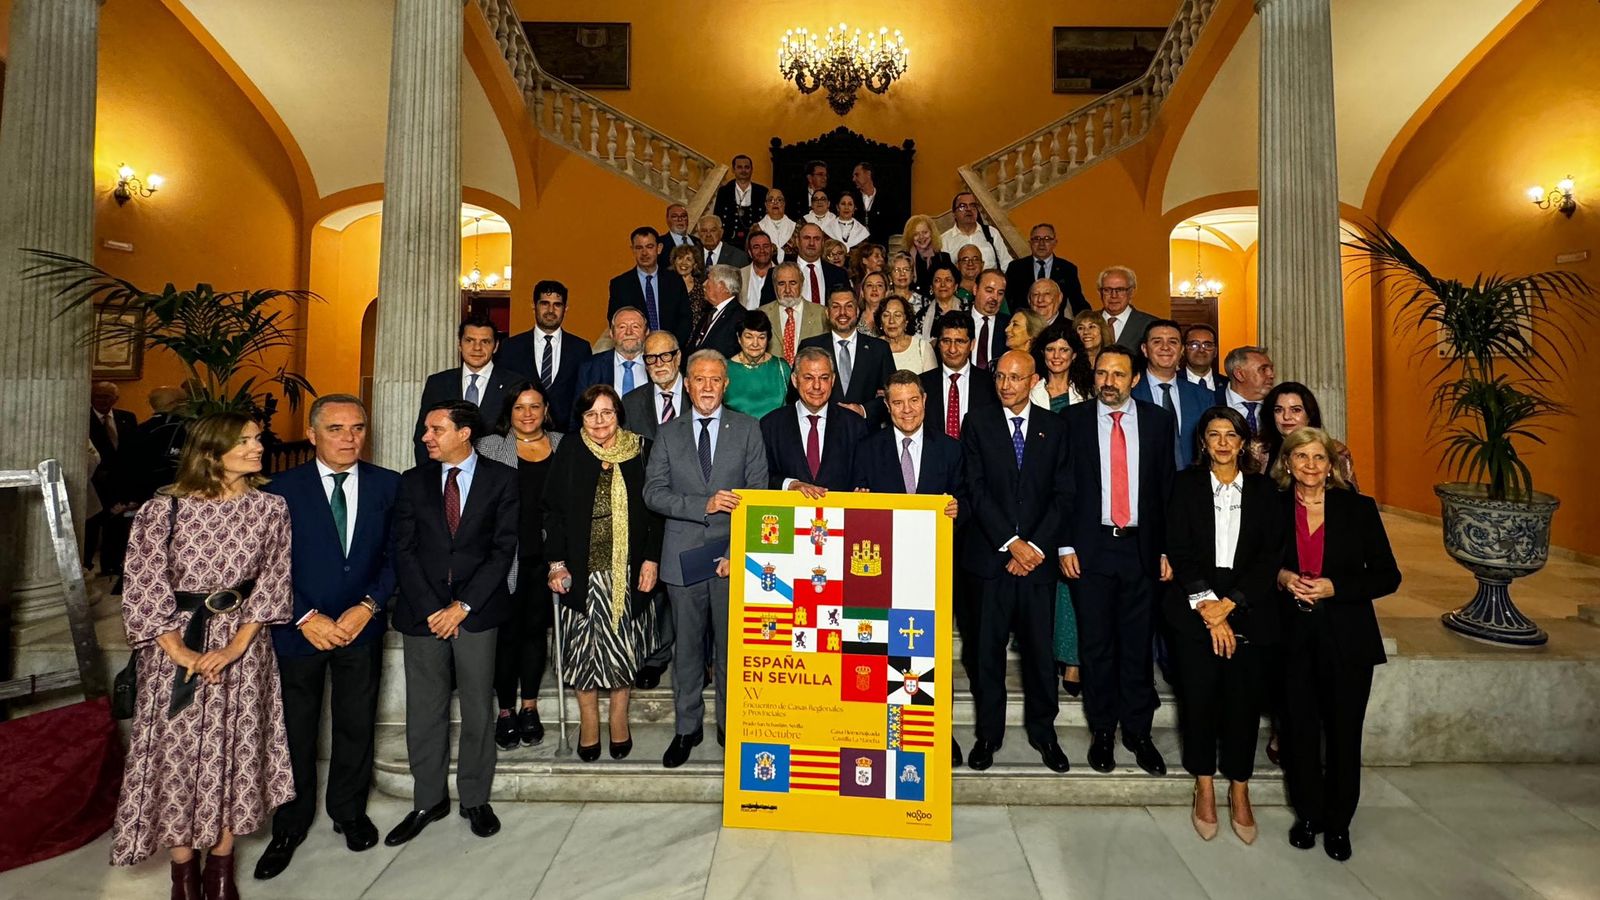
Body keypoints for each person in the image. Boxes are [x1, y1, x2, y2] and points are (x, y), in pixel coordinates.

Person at [110, 413, 294, 898]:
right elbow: (143, 583)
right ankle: (183, 875)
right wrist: (181, 652)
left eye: (258, 440)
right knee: (176, 756)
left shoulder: (270, 507)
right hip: (172, 651)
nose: (259, 448)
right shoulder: (162, 510)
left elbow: (274, 581)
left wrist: (234, 647)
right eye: (247, 441)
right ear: (212, 452)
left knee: (236, 751)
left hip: (245, 649)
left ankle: (220, 871)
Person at [252, 395, 397, 881]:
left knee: (356, 722)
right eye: (336, 429)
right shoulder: (278, 490)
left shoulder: (387, 485)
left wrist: (368, 606)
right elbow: (264, 565)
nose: (349, 438)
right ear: (312, 435)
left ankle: (349, 813)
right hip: (298, 632)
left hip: (362, 626)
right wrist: (304, 616)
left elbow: (397, 557)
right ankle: (289, 823)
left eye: (357, 428)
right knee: (295, 728)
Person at [387, 401, 518, 846]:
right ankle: (428, 799)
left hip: (476, 612)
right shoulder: (412, 481)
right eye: (427, 429)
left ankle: (475, 798)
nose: (426, 437)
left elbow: (502, 551)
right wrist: (432, 609)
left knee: (479, 708)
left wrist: (462, 606)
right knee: (425, 711)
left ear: (464, 433)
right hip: (422, 614)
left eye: (435, 429)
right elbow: (401, 550)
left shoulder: (502, 480)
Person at [1276, 427, 1400, 862]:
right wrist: (1283, 577)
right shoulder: (1273, 507)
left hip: (1346, 637)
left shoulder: (1358, 509)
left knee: (1344, 735)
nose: (1310, 466)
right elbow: (1259, 564)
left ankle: (1339, 822)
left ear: (1332, 466)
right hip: (1291, 637)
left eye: (1319, 458)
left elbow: (1388, 576)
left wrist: (1336, 587)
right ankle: (1307, 815)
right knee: (1299, 733)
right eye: (1301, 457)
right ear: (1287, 463)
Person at [1165, 407, 1284, 845]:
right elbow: (1178, 546)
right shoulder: (1185, 484)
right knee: (1197, 700)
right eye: (1213, 434)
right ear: (1203, 442)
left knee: (1242, 702)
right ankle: (1204, 784)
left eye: (1229, 435)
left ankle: (1239, 786)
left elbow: (1270, 555)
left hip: (1248, 607)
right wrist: (1207, 607)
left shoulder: (1264, 489)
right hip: (1194, 605)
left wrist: (1229, 606)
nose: (1221, 442)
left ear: (1242, 442)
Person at [644, 350, 769, 766]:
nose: (708, 387)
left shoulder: (749, 429)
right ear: (687, 384)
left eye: (716, 379)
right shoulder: (669, 433)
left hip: (732, 557)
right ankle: (687, 728)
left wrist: (738, 551)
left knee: (732, 650)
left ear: (726, 384)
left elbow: (758, 494)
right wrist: (705, 504)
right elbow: (653, 493)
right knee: (688, 649)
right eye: (700, 379)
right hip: (683, 556)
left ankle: (731, 727)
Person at [1061, 345, 1177, 777]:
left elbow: (1166, 489)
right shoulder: (1070, 422)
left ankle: (1139, 733)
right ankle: (1103, 731)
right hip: (1090, 550)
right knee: (1097, 646)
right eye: (1102, 372)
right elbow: (1063, 489)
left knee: (1136, 645)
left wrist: (1166, 548)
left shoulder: (1158, 422)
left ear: (1134, 379)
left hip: (1141, 549)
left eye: (1118, 374)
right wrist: (1065, 546)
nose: (1109, 381)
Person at [960, 351, 1073, 773]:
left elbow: (1064, 495)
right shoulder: (978, 423)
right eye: (1000, 377)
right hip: (991, 562)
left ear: (1034, 381)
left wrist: (1035, 548)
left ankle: (1045, 733)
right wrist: (1011, 542)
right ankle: (989, 736)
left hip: (1037, 566)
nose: (1006, 385)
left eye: (1015, 377)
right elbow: (975, 487)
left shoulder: (1055, 428)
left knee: (1040, 656)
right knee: (987, 655)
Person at [544, 385, 664, 761]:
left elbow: (656, 510)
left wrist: (651, 560)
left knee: (622, 649)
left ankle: (618, 719)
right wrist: (557, 563)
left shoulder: (641, 450)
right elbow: (552, 510)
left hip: (627, 571)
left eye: (607, 413)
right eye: (591, 414)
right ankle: (589, 722)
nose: (599, 422)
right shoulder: (570, 449)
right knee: (583, 653)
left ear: (619, 415)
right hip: (581, 571)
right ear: (580, 418)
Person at [850, 369, 964, 763]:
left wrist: (957, 509)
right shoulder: (868, 448)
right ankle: (889, 732)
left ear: (925, 401)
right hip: (885, 576)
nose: (907, 410)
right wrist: (860, 499)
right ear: (887, 406)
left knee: (934, 657)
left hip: (934, 572)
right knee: (887, 660)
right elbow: (855, 511)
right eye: (897, 403)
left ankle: (937, 732)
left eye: (913, 400)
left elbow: (967, 502)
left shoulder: (950, 449)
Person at [474, 382, 564, 751]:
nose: (527, 414)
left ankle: (530, 706)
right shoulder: (489, 447)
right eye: (519, 407)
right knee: (506, 635)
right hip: (503, 558)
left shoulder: (563, 444)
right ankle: (506, 710)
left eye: (535, 406)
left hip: (546, 559)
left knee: (533, 633)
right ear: (508, 411)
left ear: (546, 409)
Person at [1029, 322, 1093, 696]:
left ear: (1074, 355)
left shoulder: (1086, 392)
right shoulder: (1031, 390)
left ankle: (1072, 659)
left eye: (1064, 351)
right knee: (1042, 581)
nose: (1056, 357)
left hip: (1076, 494)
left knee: (1070, 577)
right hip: (1036, 496)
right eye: (1050, 350)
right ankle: (1043, 651)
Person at [412, 314, 530, 466]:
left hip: (496, 477)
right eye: (469, 340)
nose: (477, 348)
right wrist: (430, 478)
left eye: (485, 342)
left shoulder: (515, 383)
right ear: (459, 344)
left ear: (496, 346)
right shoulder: (438, 382)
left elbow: (521, 436)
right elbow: (423, 435)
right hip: (445, 476)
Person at [760, 346, 870, 494]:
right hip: (789, 514)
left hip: (838, 513)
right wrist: (790, 484)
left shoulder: (854, 425)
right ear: (794, 380)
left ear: (833, 380)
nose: (817, 386)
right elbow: (761, 475)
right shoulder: (770, 425)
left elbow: (864, 474)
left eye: (824, 378)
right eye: (809, 378)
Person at [496, 279, 593, 432]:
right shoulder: (511, 347)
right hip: (521, 434)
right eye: (544, 303)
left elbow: (584, 395)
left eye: (557, 305)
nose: (550, 310)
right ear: (534, 306)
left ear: (565, 308)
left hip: (566, 436)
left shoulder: (580, 348)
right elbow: (503, 393)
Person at [798, 286, 896, 424]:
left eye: (848, 306)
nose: (842, 313)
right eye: (836, 307)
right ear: (827, 313)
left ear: (857, 311)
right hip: (822, 432)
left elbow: (893, 397)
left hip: (865, 435)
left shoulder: (879, 349)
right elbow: (795, 395)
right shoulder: (810, 347)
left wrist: (863, 410)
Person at [1133, 318, 1213, 468]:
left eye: (1173, 342)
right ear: (1144, 349)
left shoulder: (1203, 397)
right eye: (1157, 342)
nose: (1165, 347)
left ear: (1181, 350)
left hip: (1192, 483)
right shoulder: (1130, 394)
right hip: (1145, 483)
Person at [1258, 381, 1357, 487]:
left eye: (1296, 410)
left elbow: (1354, 499)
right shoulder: (1258, 451)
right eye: (1278, 410)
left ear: (1310, 415)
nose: (1286, 417)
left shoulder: (1334, 452)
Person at [87, 381, 139, 582]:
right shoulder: (84, 418)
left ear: (115, 399)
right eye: (98, 396)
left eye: (107, 397)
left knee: (117, 527)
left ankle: (113, 564)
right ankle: (88, 564)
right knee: (92, 527)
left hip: (121, 482)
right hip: (96, 482)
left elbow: (133, 449)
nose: (102, 400)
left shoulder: (127, 418)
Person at [608, 226, 692, 349]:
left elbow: (685, 318)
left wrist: (670, 346)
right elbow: (615, 320)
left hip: (671, 350)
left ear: (659, 248)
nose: (644, 253)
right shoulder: (620, 284)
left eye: (649, 247)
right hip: (636, 351)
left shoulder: (674, 280)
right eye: (639, 248)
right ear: (633, 250)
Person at [1006, 223, 1089, 315]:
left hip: (1055, 326)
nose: (1041, 244)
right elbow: (1007, 301)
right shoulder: (1016, 268)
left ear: (1055, 243)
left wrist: (1089, 320)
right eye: (1036, 239)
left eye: (1047, 239)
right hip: (1025, 324)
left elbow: (1078, 302)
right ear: (1030, 243)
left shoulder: (1067, 269)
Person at [757, 261, 828, 366]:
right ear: (774, 286)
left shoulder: (821, 313)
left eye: (793, 283)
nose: (787, 289)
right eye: (781, 284)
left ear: (802, 284)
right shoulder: (761, 314)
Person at [762, 222, 850, 306]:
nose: (811, 243)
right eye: (807, 238)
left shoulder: (839, 274)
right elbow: (766, 310)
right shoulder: (775, 273)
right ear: (797, 241)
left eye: (816, 239)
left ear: (823, 243)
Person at [724, 311, 791, 420]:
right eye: (749, 337)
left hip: (775, 434)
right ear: (739, 338)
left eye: (761, 337)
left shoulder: (781, 367)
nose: (755, 344)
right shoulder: (725, 369)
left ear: (768, 339)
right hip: (738, 434)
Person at [128, 385, 189, 506]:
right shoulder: (184, 429)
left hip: (142, 496)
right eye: (184, 401)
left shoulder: (139, 430)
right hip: (174, 494)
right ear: (175, 404)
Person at [621, 331, 686, 442]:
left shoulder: (699, 393)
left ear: (678, 357)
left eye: (665, 356)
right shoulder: (631, 403)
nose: (659, 364)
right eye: (651, 358)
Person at [575, 307, 650, 399]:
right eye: (622, 327)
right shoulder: (590, 368)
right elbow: (579, 409)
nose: (629, 332)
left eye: (635, 326)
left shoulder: (658, 364)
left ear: (646, 332)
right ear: (611, 334)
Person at [940, 191, 1013, 271]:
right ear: (954, 213)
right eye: (962, 206)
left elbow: (1006, 263)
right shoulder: (944, 240)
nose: (968, 209)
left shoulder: (991, 233)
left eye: (973, 206)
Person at [688, 264, 746, 359]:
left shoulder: (740, 317)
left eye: (709, 280)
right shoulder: (709, 313)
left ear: (722, 286)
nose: (704, 284)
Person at [1096, 266, 1157, 352]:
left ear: (1131, 292)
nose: (1114, 295)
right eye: (1107, 290)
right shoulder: (1086, 322)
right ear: (1100, 293)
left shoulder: (1151, 325)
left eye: (1120, 290)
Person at [713, 154, 767, 249]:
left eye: (747, 167)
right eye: (739, 167)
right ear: (733, 170)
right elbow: (717, 218)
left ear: (751, 169)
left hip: (755, 243)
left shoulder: (762, 192)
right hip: (729, 242)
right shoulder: (724, 191)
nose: (743, 170)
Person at [1221, 345, 1276, 436]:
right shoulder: (1209, 402)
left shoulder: (1277, 406)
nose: (1271, 375)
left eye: (1271, 369)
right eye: (1263, 369)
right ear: (1239, 374)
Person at [879, 295, 937, 373]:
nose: (891, 321)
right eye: (886, 315)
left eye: (897, 315)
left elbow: (932, 382)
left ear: (906, 320)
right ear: (880, 322)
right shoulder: (872, 349)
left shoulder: (922, 348)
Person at [918, 260, 968, 344]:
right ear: (931, 287)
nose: (943, 285)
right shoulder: (921, 316)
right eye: (937, 280)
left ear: (956, 286)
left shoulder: (968, 309)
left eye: (948, 280)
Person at [903, 214, 952, 296]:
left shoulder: (943, 258)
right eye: (916, 234)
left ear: (932, 233)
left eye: (925, 232)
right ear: (910, 237)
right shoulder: (905, 259)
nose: (921, 237)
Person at [850, 161, 897, 246]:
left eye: (857, 175)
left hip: (880, 248)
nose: (853, 179)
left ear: (868, 174)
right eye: (853, 176)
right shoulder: (852, 199)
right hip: (857, 249)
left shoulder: (886, 199)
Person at [669, 243, 710, 339]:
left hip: (696, 339)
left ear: (695, 264)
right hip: (672, 338)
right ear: (674, 262)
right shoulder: (665, 285)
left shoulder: (702, 287)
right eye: (680, 258)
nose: (684, 262)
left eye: (689, 259)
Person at [1182, 323, 1226, 397]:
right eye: (1194, 345)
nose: (1201, 350)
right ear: (1183, 350)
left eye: (1207, 345)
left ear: (1215, 351)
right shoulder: (1172, 382)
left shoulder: (1228, 384)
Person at [753, 188, 797, 261]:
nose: (775, 203)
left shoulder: (796, 228)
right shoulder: (757, 229)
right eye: (771, 200)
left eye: (779, 200)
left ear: (784, 204)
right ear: (766, 205)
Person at [739, 231, 779, 309]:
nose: (762, 250)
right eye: (756, 247)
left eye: (766, 246)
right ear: (750, 253)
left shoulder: (782, 274)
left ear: (771, 249)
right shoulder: (739, 275)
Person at [857, 271, 890, 335]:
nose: (874, 289)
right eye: (869, 285)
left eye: (879, 285)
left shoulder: (891, 319)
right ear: (862, 293)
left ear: (886, 293)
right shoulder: (854, 317)